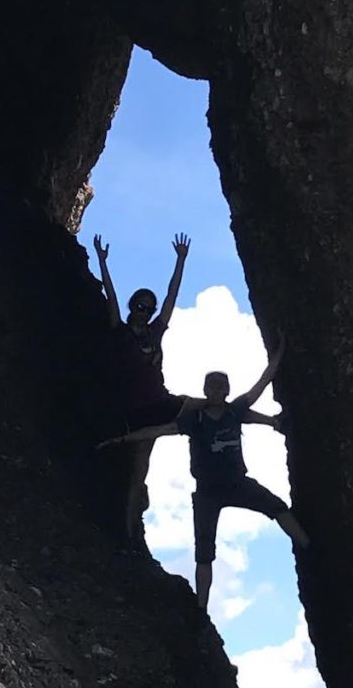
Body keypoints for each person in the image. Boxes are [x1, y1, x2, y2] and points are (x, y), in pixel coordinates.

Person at [98, 335, 309, 608]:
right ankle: (201, 609)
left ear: (228, 389)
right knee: (204, 553)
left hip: (237, 483)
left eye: (222, 384)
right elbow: (160, 430)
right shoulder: (194, 420)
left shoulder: (236, 411)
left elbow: (262, 381)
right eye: (212, 384)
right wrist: (121, 439)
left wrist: (280, 351)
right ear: (206, 390)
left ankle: (309, 549)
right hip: (207, 492)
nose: (217, 388)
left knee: (279, 508)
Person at [93, 232, 203, 541]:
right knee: (138, 474)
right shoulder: (121, 332)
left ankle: (249, 425)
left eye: (148, 307)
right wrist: (103, 263)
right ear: (132, 307)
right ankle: (128, 535)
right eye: (140, 306)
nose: (144, 310)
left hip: (161, 402)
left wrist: (180, 261)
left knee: (209, 404)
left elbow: (171, 297)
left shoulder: (155, 333)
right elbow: (111, 299)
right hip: (138, 410)